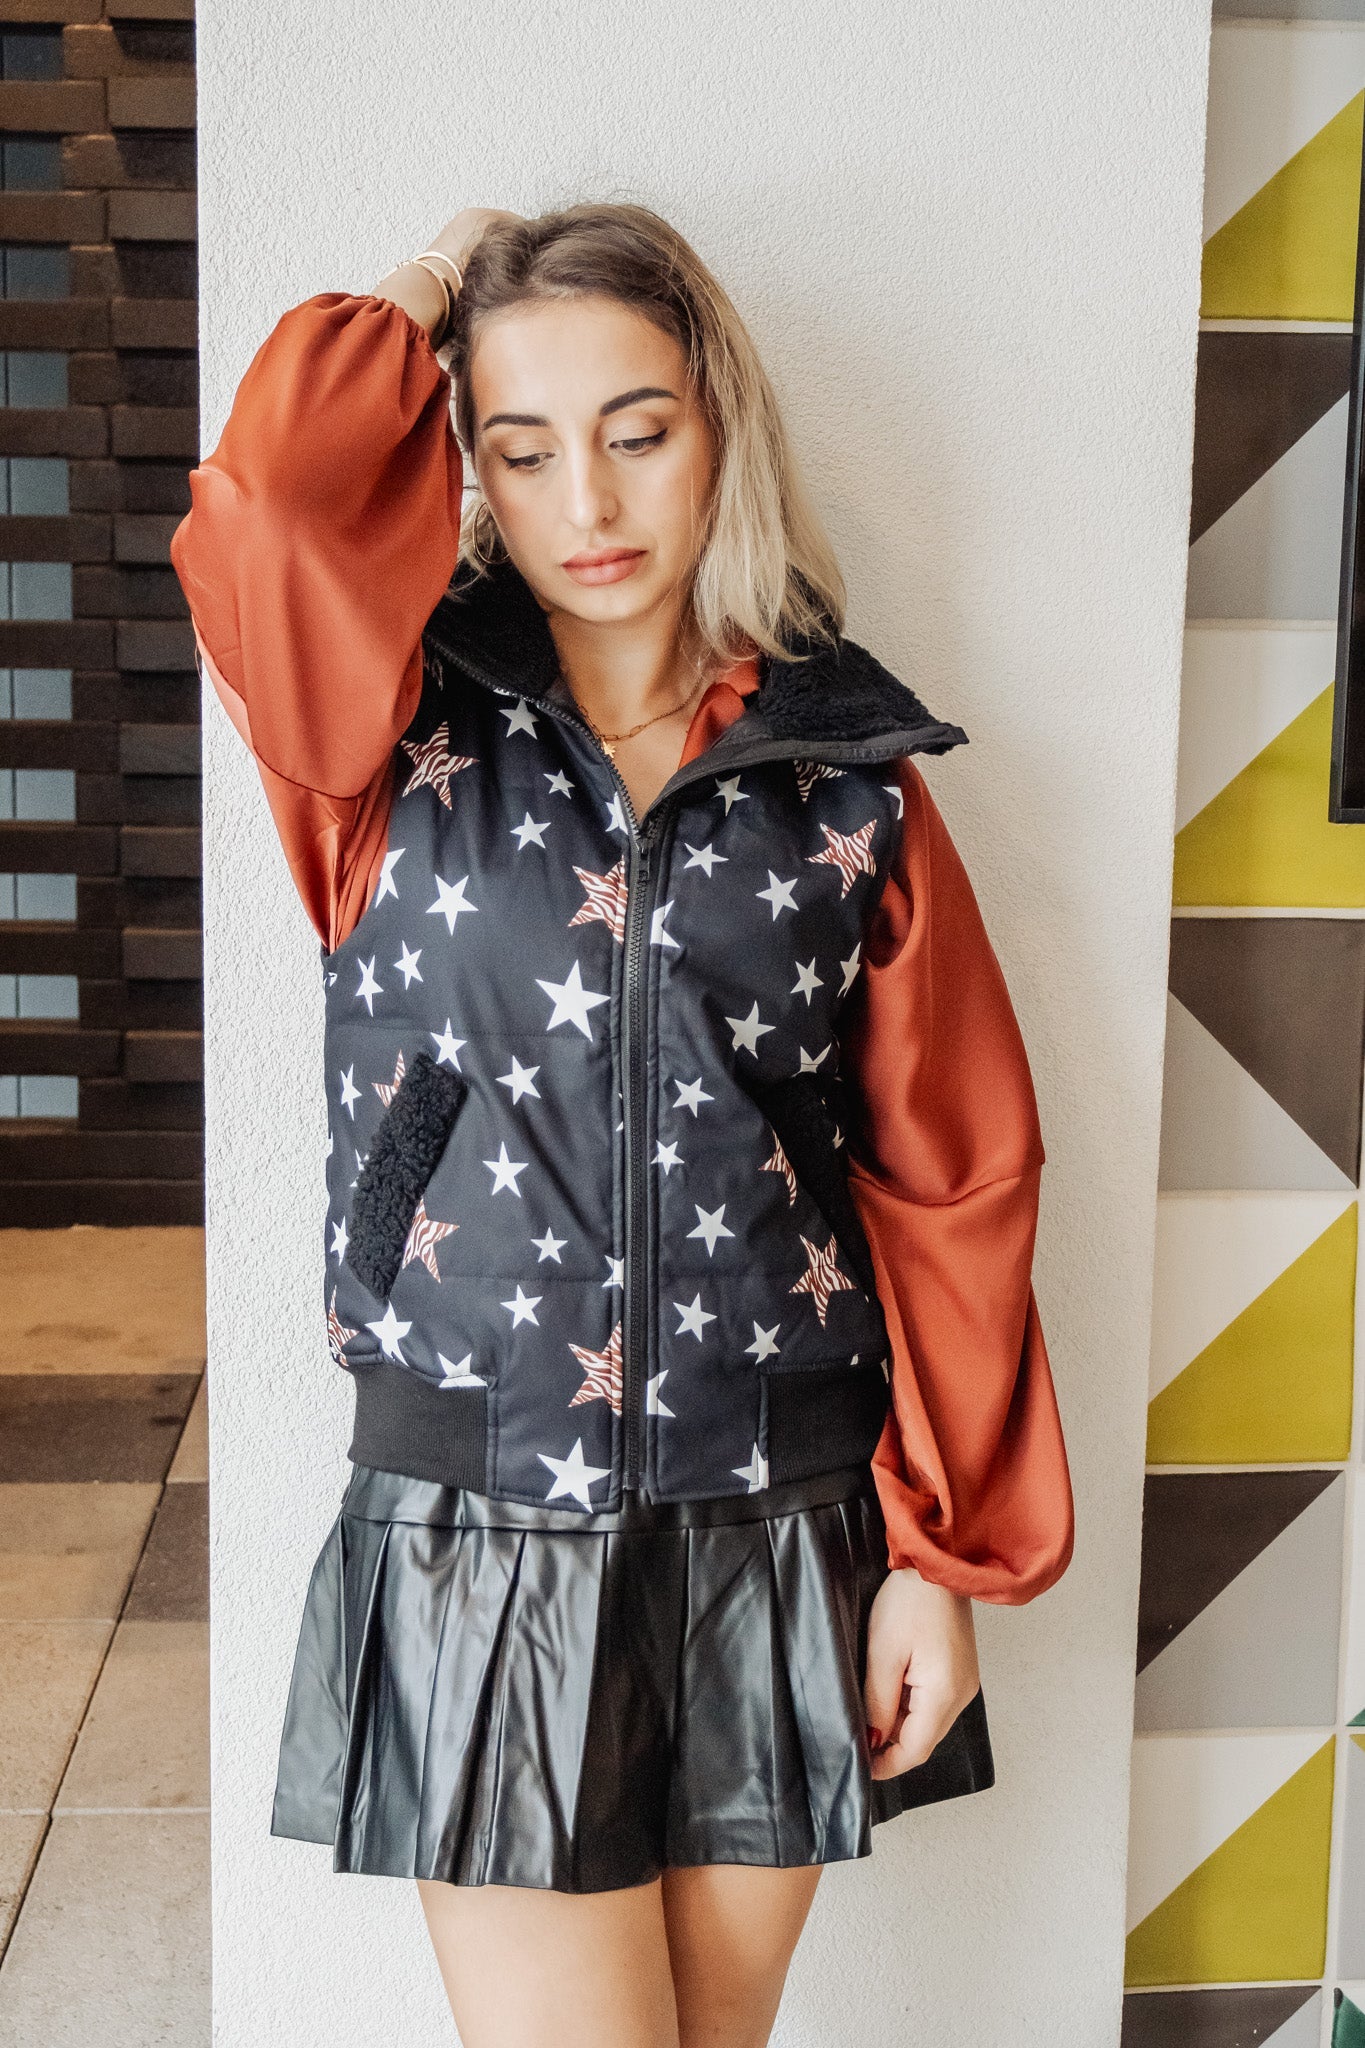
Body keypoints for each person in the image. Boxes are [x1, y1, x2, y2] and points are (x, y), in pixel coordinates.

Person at [170, 200, 1075, 2048]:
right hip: (485, 1522)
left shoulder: (845, 785)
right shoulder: (376, 738)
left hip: (778, 1526)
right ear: (467, 465)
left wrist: (939, 1559)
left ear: (717, 425)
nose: (584, 499)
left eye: (635, 431)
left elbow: (954, 1180)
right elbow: (263, 508)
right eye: (519, 448)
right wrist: (433, 293)